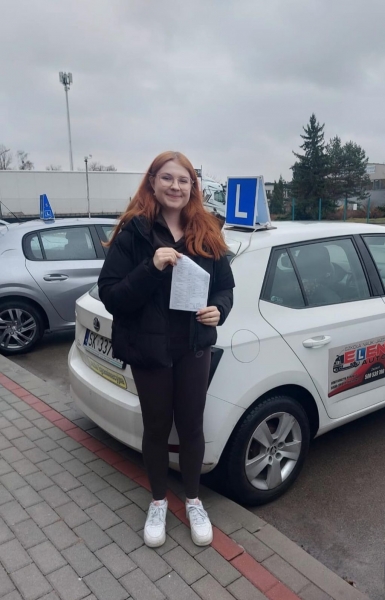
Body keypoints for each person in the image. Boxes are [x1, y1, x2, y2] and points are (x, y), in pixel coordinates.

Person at [98, 151, 235, 548]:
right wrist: (151, 267)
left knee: (191, 426)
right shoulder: (135, 233)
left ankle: (193, 500)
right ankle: (158, 501)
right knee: (157, 428)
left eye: (184, 180)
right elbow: (112, 295)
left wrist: (219, 309)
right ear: (153, 183)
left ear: (193, 187)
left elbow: (224, 286)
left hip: (193, 348)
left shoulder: (206, 231)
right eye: (168, 178)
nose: (176, 186)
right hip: (149, 349)